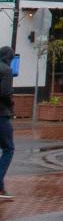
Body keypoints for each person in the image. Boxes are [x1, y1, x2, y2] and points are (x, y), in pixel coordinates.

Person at [0, 45, 15, 199]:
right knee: (8, 148)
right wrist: (11, 104)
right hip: (1, 114)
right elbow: (5, 93)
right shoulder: (6, 70)